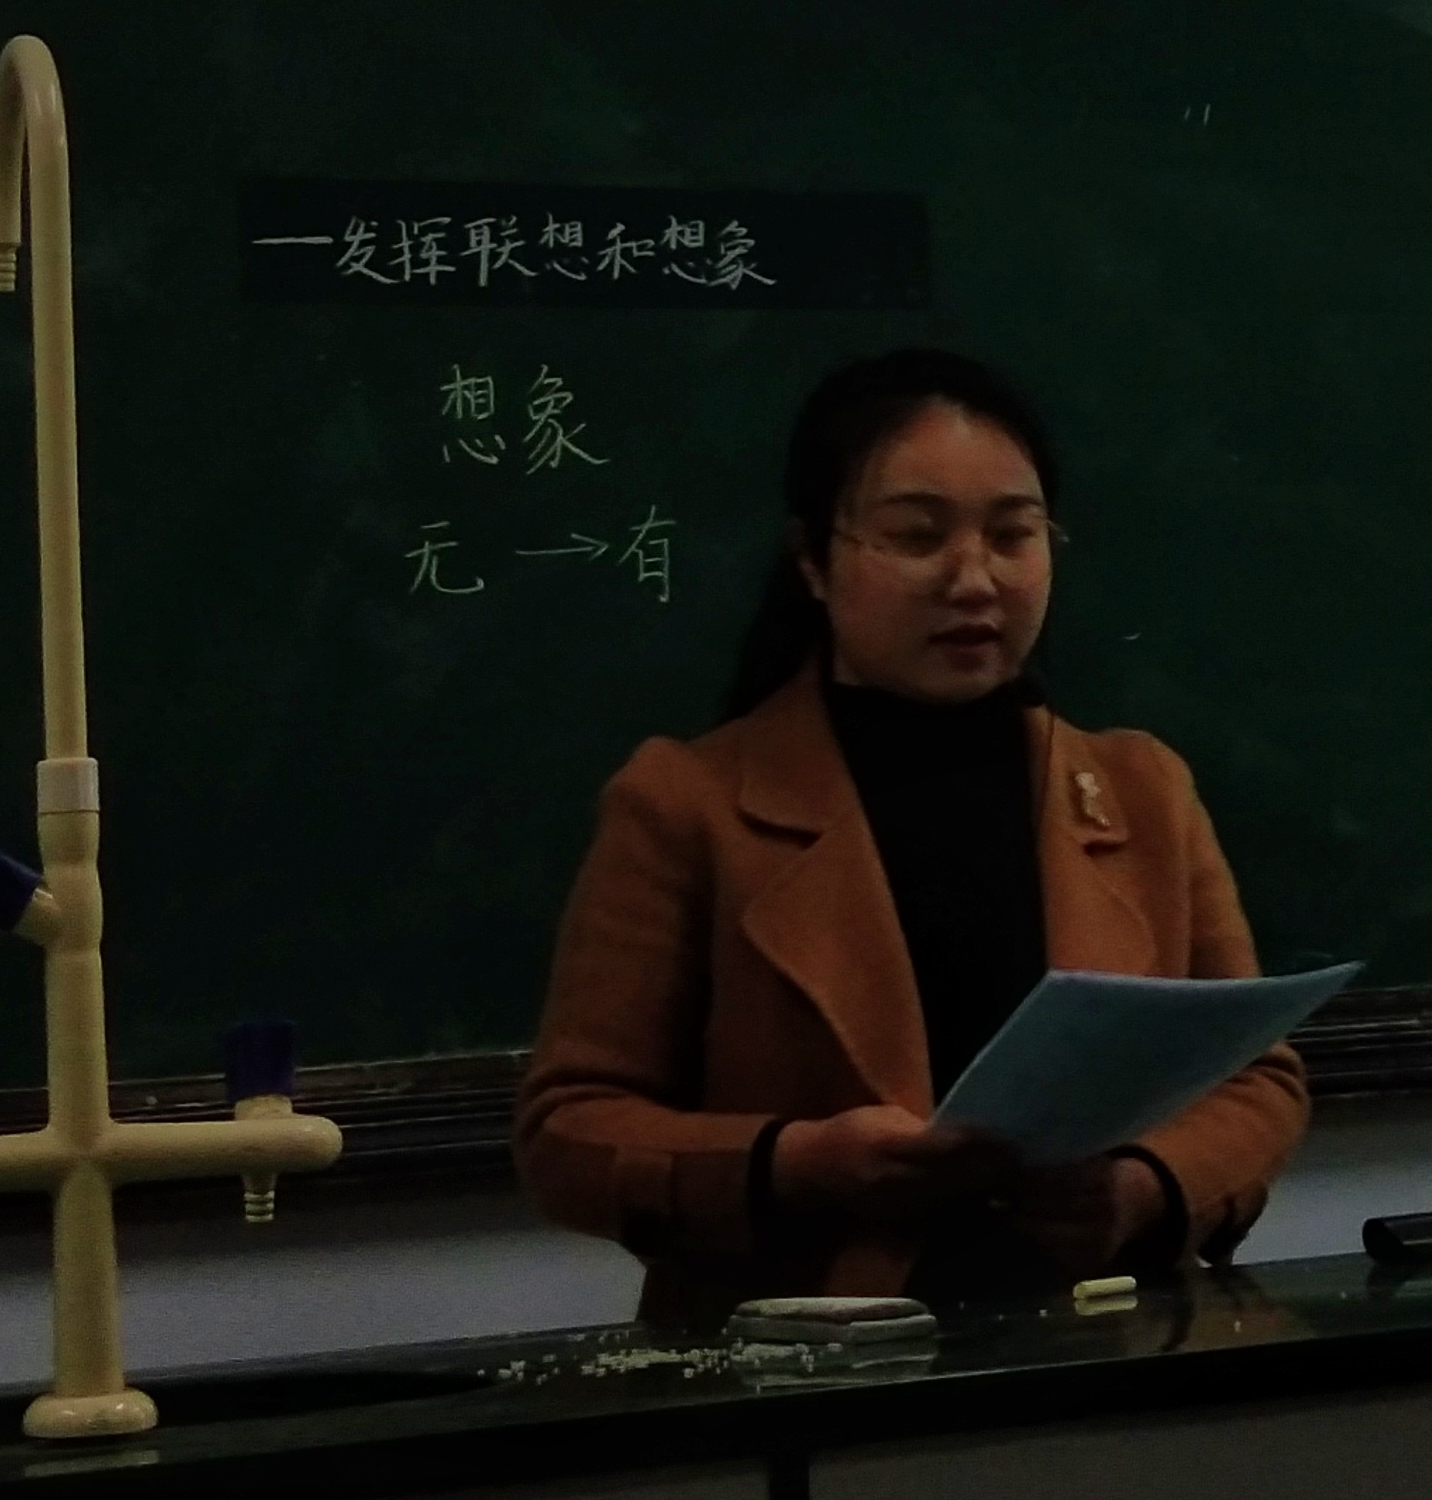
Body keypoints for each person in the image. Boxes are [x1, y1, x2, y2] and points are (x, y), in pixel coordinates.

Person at [516, 348, 1309, 1318]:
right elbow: (569, 1132)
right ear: (813, 558)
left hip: (1106, 1345)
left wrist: (1142, 1190)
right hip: (802, 1364)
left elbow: (1257, 1077)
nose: (974, 579)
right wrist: (797, 1163)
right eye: (916, 536)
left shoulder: (1142, 790)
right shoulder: (686, 804)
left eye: (1013, 535)